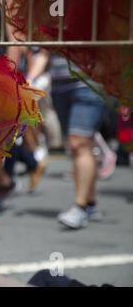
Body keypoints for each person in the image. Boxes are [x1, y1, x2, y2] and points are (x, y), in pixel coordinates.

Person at [51, 55, 106, 229]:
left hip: (88, 83)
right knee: (80, 145)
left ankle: (80, 207)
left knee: (78, 142)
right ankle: (90, 204)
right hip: (59, 85)